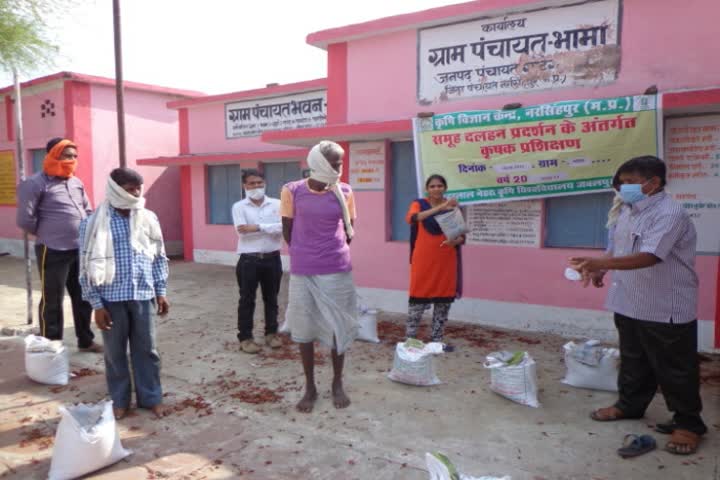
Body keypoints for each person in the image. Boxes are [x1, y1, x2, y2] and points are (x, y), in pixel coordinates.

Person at [569, 156, 706, 455]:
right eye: (620, 183)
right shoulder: (628, 210)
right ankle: (630, 405)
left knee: (675, 368)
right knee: (633, 360)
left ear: (653, 183)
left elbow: (650, 256)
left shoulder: (670, 213)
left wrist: (600, 263)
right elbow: (615, 247)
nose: (622, 188)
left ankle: (688, 423)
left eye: (629, 182)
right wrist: (599, 269)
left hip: (664, 304)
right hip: (629, 300)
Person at [79, 168, 170, 420]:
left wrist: (160, 291)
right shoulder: (93, 222)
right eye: (129, 189)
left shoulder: (148, 217)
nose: (135, 193)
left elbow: (158, 256)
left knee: (148, 350)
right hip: (111, 299)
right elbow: (84, 265)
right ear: (115, 189)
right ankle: (120, 400)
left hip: (143, 295)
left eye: (137, 188)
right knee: (115, 352)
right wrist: (96, 304)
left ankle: (151, 397)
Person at [281, 140, 358, 413]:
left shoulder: (345, 191)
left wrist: (328, 252)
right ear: (319, 163)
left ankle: (337, 382)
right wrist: (306, 251)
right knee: (303, 329)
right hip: (303, 269)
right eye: (335, 163)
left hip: (336, 268)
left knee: (338, 325)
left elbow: (349, 229)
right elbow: (287, 231)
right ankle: (310, 387)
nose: (339, 168)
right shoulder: (292, 191)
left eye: (340, 162)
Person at [16, 137, 101, 352]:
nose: (72, 160)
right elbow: (25, 219)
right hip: (52, 249)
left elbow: (87, 210)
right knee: (52, 299)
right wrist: (47, 233)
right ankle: (52, 344)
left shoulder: (76, 182)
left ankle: (85, 340)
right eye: (67, 155)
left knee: (83, 296)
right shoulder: (35, 183)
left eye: (74, 156)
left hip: (79, 249)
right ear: (54, 155)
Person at [405, 174, 465, 343]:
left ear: (445, 188)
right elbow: (412, 218)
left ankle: (437, 340)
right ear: (427, 189)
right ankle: (410, 340)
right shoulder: (419, 204)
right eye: (432, 186)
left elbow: (461, 237)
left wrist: (454, 241)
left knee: (443, 302)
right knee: (417, 301)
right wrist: (441, 207)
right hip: (423, 261)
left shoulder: (452, 208)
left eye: (439, 186)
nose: (436, 189)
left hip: (446, 260)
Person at [231, 169, 283, 354]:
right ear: (245, 186)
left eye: (259, 182)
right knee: (247, 300)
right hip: (248, 261)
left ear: (265, 183)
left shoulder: (277, 204)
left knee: (272, 298)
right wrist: (269, 228)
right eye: (252, 183)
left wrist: (257, 227)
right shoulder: (239, 207)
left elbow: (283, 228)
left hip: (272, 259)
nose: (256, 186)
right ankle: (245, 338)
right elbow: (242, 231)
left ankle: (271, 333)